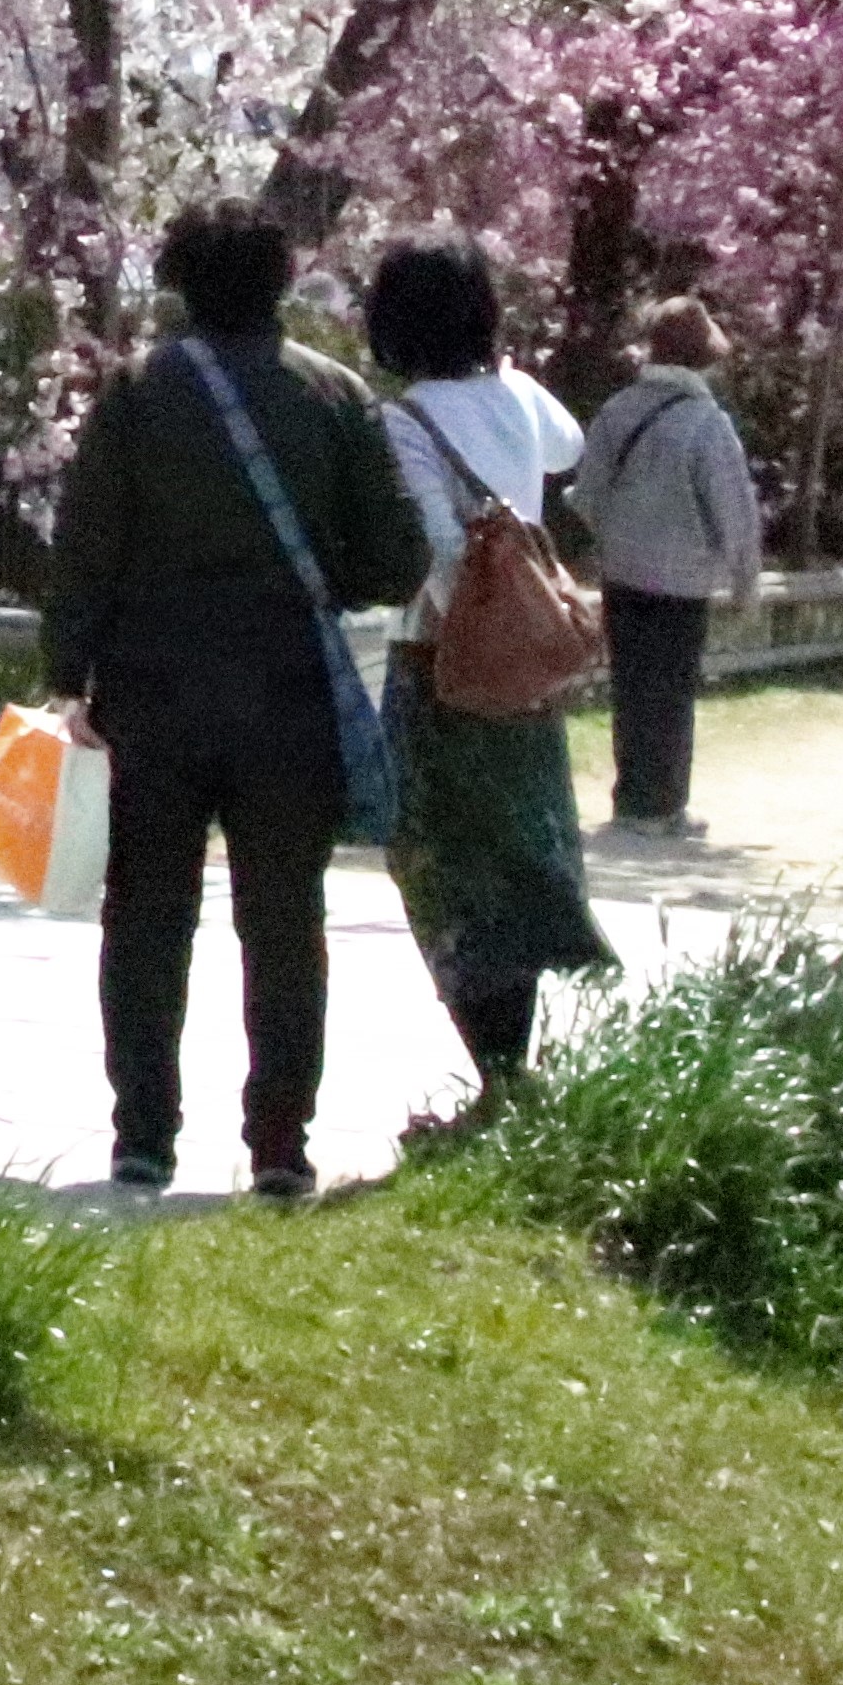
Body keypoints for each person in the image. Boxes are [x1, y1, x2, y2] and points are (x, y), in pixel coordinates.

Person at [46, 198, 429, 1200]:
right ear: (283, 280)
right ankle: (280, 1144)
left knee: (146, 914)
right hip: (289, 690)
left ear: (178, 280)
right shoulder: (337, 394)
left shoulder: (136, 392)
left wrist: (67, 673)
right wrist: (320, 576)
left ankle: (142, 1135)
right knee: (285, 918)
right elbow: (398, 556)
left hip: (152, 688)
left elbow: (86, 543)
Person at [363, 238, 617, 1112]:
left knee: (442, 867)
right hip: (526, 673)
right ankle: (510, 1073)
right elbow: (570, 444)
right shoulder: (519, 395)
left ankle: (501, 1077)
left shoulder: (404, 420)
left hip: (442, 669)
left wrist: (467, 631)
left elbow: (439, 546)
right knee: (516, 859)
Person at [572, 293, 766, 838]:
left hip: (622, 572)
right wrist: (744, 581)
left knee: (631, 687)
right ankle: (665, 805)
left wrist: (616, 533)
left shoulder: (617, 410)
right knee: (673, 691)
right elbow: (734, 510)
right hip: (682, 580)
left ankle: (632, 799)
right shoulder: (707, 423)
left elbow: (586, 495)